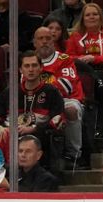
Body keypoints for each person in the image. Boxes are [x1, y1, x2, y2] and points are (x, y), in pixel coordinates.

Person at [66, 2, 103, 136]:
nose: (92, 17)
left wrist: (95, 59)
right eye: (88, 15)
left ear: (101, 17)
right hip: (84, 74)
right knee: (91, 83)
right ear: (83, 18)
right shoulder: (75, 36)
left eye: (95, 14)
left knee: (98, 86)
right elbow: (69, 57)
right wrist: (83, 59)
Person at [33, 25, 85, 167]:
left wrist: (39, 89)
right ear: (34, 42)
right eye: (41, 38)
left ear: (53, 41)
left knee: (71, 109)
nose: (44, 41)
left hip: (65, 100)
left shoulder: (64, 59)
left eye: (48, 38)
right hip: (36, 102)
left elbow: (67, 86)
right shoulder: (29, 61)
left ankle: (74, 155)